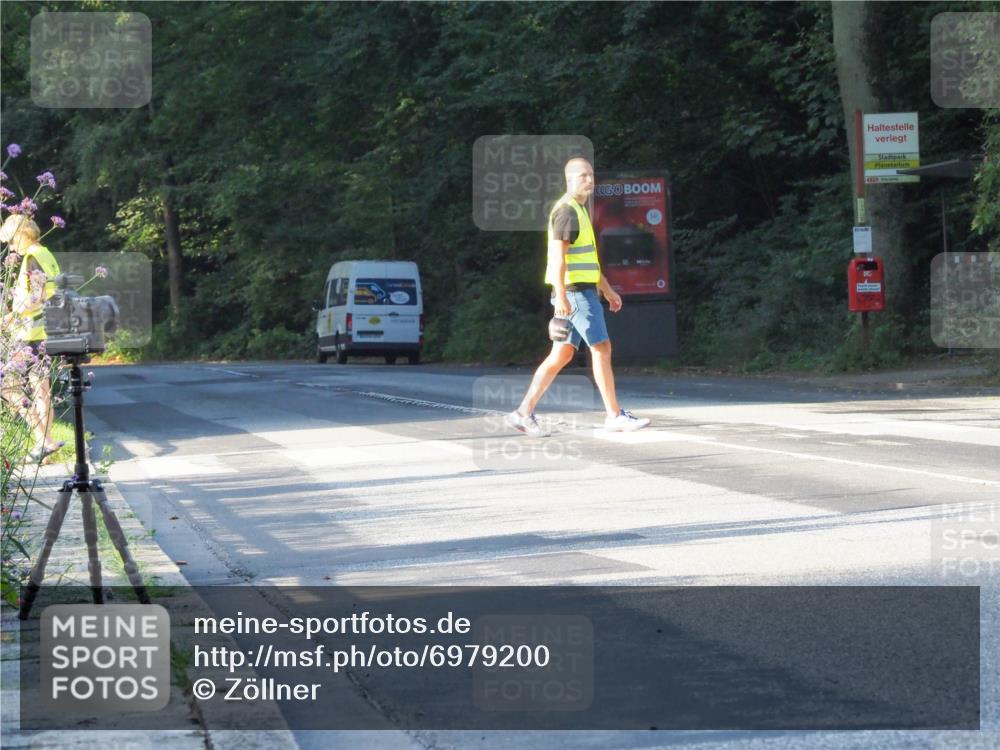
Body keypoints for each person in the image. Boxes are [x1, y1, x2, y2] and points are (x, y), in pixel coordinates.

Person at [506, 157, 650, 437]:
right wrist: (561, 296)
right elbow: (559, 258)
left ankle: (523, 412)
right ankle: (614, 415)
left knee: (561, 354)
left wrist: (606, 289)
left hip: (579, 290)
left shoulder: (578, 210)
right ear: (569, 179)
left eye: (591, 175)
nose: (589, 180)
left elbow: (586, 260)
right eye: (583, 175)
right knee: (602, 347)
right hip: (575, 294)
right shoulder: (567, 211)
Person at [1, 213, 64, 461]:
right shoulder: (47, 254)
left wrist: (11, 315)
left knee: (7, 385)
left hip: (29, 334)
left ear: (22, 234)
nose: (11, 247)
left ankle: (43, 440)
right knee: (42, 391)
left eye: (12, 241)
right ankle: (45, 448)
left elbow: (37, 296)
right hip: (44, 331)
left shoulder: (32, 257)